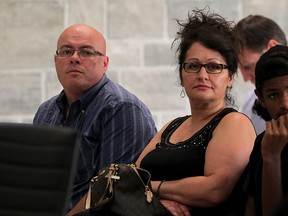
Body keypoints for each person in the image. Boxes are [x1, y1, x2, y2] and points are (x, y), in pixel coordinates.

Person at [135, 9, 256, 216]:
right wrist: (157, 202)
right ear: (181, 76)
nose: (202, 75)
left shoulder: (234, 122)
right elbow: (130, 179)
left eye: (214, 67)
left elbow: (214, 190)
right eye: (193, 66)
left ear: (230, 78)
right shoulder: (172, 126)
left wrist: (154, 190)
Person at [32, 24, 157, 214]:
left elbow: (111, 193)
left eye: (86, 52)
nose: (74, 58)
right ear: (56, 60)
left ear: (105, 63)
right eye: (66, 51)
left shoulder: (122, 109)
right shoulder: (45, 112)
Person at [244, 45, 288, 216]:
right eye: (273, 95)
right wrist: (270, 156)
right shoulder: (263, 143)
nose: (285, 103)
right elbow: (252, 207)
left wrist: (272, 157)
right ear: (261, 98)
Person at [233, 15, 287, 135]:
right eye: (272, 95)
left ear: (272, 47)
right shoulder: (250, 102)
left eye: (247, 66)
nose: (246, 78)